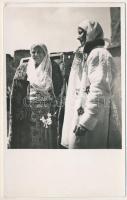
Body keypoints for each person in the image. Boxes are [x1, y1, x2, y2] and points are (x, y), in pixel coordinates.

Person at [61, 20, 121, 149]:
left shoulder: (98, 54)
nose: (78, 37)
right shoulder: (91, 54)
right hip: (87, 118)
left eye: (81, 32)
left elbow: (100, 89)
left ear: (91, 33)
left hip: (93, 122)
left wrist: (86, 122)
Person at [8, 44, 58, 149]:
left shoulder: (52, 69)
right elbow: (16, 91)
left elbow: (57, 91)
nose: (35, 54)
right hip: (28, 114)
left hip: (45, 113)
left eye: (39, 52)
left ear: (45, 54)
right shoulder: (23, 69)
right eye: (33, 52)